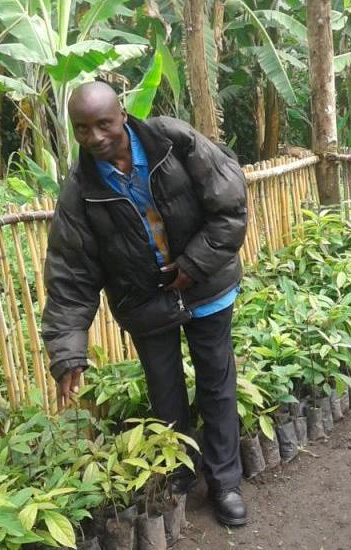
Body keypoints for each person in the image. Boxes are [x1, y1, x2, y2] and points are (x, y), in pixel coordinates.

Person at [40, 81, 249, 526]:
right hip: (145, 302)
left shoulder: (173, 141)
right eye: (82, 129)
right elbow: (70, 274)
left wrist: (194, 263)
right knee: (164, 393)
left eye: (104, 124)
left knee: (216, 383)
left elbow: (230, 206)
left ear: (123, 115)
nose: (95, 137)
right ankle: (178, 475)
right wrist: (67, 352)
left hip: (206, 286)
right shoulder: (80, 191)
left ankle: (225, 484)